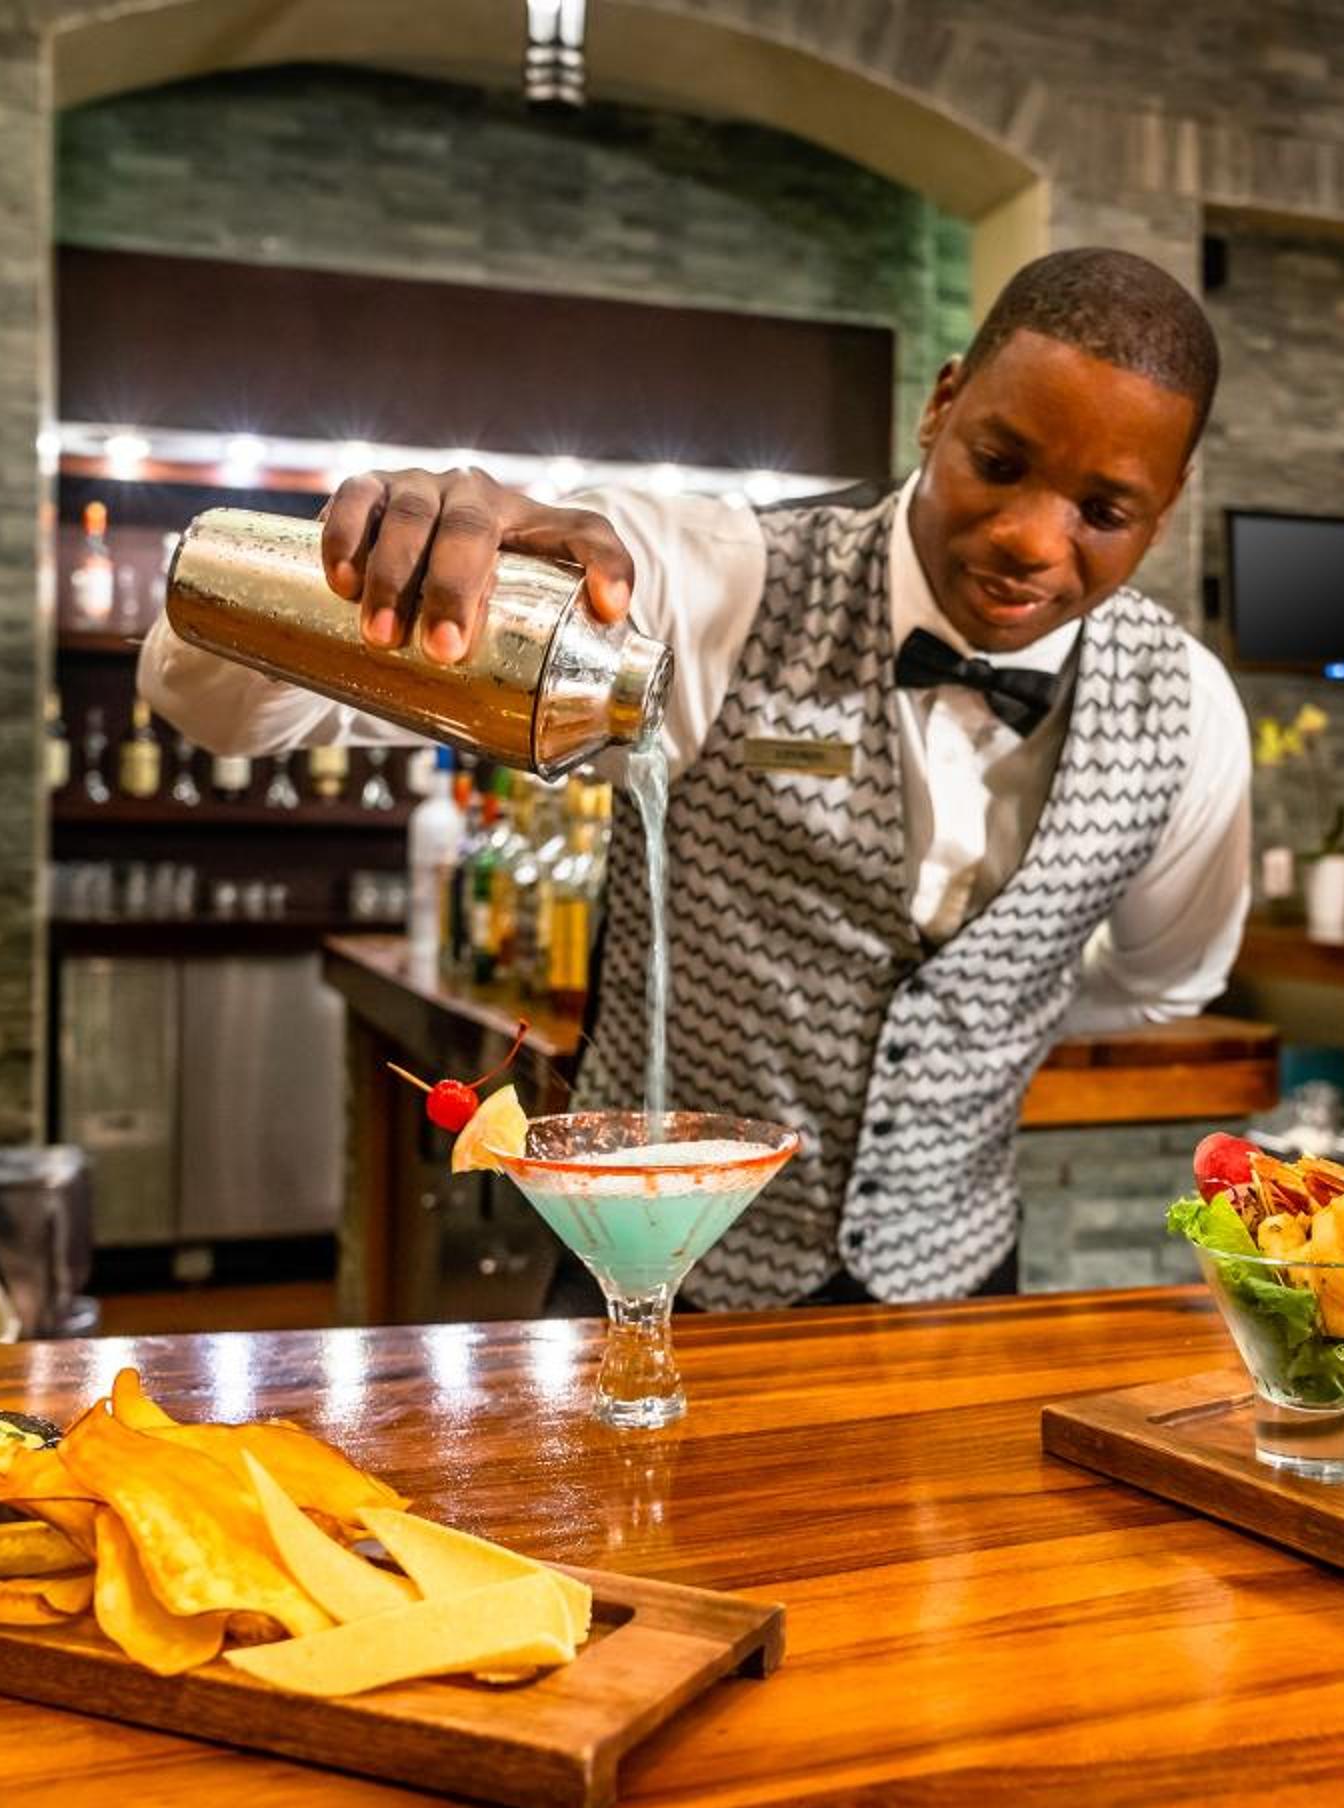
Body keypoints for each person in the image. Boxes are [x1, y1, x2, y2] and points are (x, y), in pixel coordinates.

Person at [142, 248, 1251, 1308]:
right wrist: (358, 571)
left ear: (1169, 502)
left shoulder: (1189, 711)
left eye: (1104, 512)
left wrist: (984, 1013)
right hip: (649, 1272)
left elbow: (1166, 982)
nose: (1032, 541)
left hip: (952, 1295)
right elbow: (217, 708)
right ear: (942, 403)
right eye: (998, 465)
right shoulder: (712, 581)